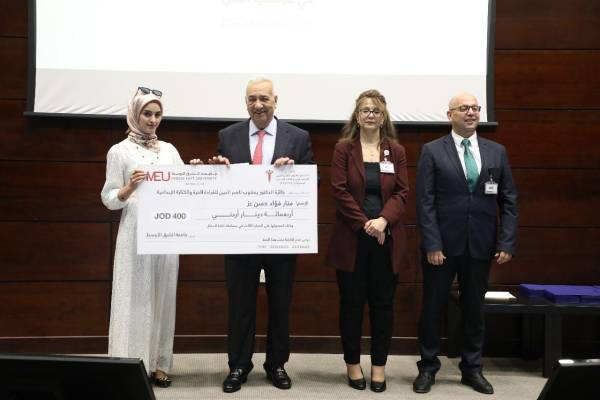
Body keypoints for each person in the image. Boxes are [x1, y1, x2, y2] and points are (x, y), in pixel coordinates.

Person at [198, 77, 315, 393]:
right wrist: (218, 168)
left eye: (264, 98)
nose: (258, 105)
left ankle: (276, 364)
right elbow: (221, 181)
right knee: (240, 305)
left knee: (280, 304)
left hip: (281, 237)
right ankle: (238, 365)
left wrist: (295, 171)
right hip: (240, 236)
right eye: (252, 99)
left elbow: (311, 183)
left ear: (276, 100)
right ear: (245, 102)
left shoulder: (298, 137)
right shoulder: (228, 136)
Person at [413, 93, 518, 395]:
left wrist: (506, 242)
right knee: (432, 308)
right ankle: (428, 367)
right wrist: (432, 244)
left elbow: (509, 200)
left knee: (474, 310)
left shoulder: (496, 151)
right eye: (464, 108)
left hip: (481, 245)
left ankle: (472, 369)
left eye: (475, 108)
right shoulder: (432, 150)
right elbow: (425, 202)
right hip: (441, 247)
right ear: (450, 115)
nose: (471, 113)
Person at [325, 90, 409, 393]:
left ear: (383, 117)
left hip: (387, 241)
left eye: (376, 111)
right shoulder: (343, 149)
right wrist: (367, 225)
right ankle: (352, 364)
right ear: (357, 117)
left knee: (383, 306)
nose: (371, 115)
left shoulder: (395, 151)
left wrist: (383, 220)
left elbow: (402, 192)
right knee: (351, 305)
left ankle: (379, 367)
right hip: (352, 240)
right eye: (365, 110)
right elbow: (339, 190)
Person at [101, 87, 184, 388]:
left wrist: (196, 173)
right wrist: (128, 188)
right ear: (135, 114)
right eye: (147, 113)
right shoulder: (119, 151)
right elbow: (109, 199)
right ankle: (129, 366)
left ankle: (160, 364)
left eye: (157, 114)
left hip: (166, 234)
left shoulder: (170, 150)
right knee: (134, 299)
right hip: (135, 235)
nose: (152, 120)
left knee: (163, 297)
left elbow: (184, 187)